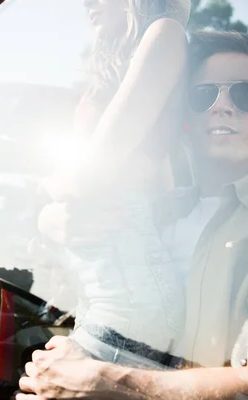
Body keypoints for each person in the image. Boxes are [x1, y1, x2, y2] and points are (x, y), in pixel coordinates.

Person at [19, 30, 248, 399]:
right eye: (204, 94)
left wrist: (102, 381)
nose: (222, 105)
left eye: (245, 94)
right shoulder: (160, 207)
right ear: (187, 114)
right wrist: (49, 223)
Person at [38, 0, 194, 367]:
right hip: (110, 293)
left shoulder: (165, 32)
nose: (86, 4)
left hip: (128, 302)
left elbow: (90, 174)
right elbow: (160, 185)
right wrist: (50, 215)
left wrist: (48, 189)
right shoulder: (123, 58)